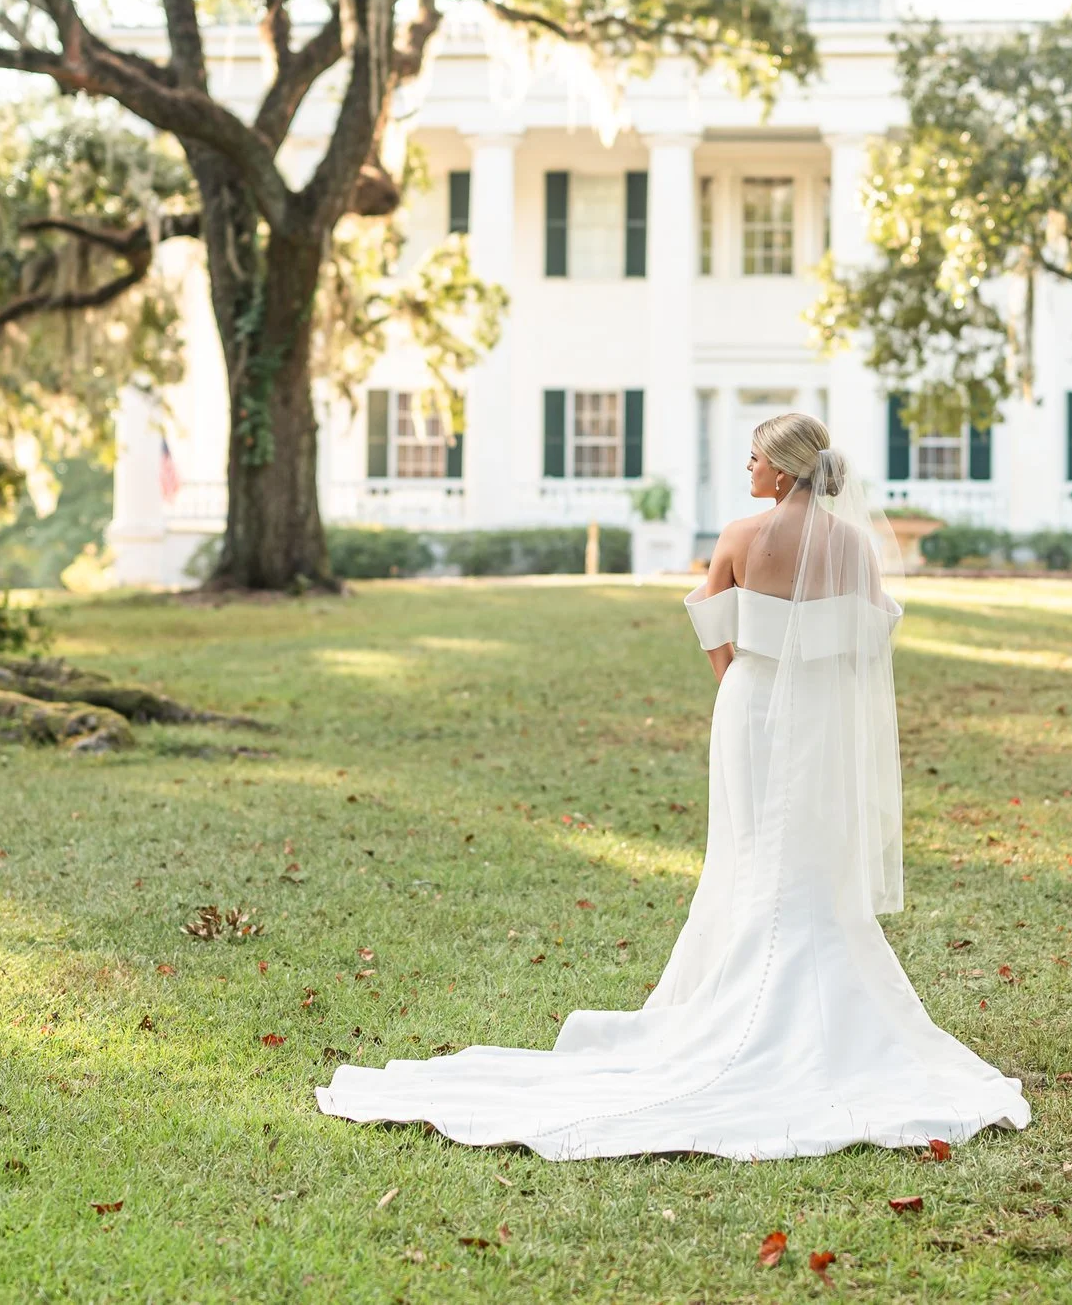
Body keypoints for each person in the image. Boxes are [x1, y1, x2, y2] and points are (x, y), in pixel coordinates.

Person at [316, 412, 1030, 1159]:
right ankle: (820, 994)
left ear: (781, 471)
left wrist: (747, 685)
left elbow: (710, 626)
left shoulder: (738, 536)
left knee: (753, 846)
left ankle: (737, 989)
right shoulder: (853, 543)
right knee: (811, 845)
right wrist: (814, 683)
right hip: (820, 711)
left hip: (751, 706)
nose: (746, 467)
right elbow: (873, 636)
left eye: (754, 457)